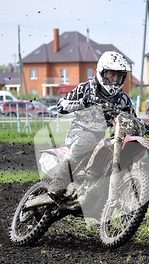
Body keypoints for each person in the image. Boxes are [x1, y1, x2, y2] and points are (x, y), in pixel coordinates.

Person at [48, 51, 134, 199]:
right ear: (102, 72)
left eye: (119, 76)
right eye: (111, 75)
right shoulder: (85, 88)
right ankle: (57, 185)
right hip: (80, 130)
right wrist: (82, 103)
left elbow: (132, 119)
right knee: (86, 141)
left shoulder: (123, 99)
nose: (115, 79)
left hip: (104, 136)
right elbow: (61, 106)